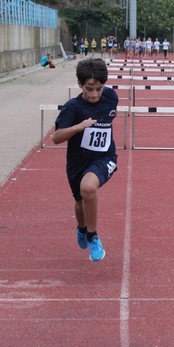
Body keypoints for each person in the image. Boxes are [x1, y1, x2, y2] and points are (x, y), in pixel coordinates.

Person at [52, 58, 119, 262]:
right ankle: (82, 229)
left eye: (99, 88)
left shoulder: (110, 98)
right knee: (80, 201)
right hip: (77, 162)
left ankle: (92, 236)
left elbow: (108, 118)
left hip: (104, 157)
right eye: (90, 89)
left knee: (89, 188)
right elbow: (56, 138)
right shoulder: (72, 107)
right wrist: (78, 127)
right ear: (80, 84)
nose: (95, 94)